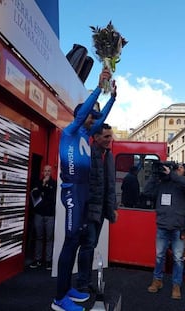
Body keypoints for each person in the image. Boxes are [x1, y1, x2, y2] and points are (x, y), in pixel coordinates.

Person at [51, 68, 116, 311]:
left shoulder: (87, 135)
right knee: (70, 243)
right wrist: (100, 87)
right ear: (80, 115)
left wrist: (113, 98)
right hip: (72, 193)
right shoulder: (69, 132)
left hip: (83, 193)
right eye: (90, 116)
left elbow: (100, 119)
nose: (94, 120)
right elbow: (86, 114)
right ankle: (59, 299)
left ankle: (68, 289)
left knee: (76, 241)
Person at [144, 162, 185, 299]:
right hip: (162, 225)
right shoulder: (163, 183)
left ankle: (176, 285)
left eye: (180, 168)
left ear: (184, 172)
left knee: (178, 258)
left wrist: (171, 174)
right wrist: (155, 175)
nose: (176, 169)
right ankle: (157, 280)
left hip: (178, 227)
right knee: (159, 256)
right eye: (176, 167)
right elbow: (147, 192)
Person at [77, 123, 118, 292]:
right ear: (96, 137)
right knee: (87, 246)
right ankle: (82, 283)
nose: (110, 139)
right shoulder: (87, 153)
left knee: (91, 246)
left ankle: (85, 282)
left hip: (100, 210)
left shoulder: (107, 155)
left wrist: (112, 208)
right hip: (89, 211)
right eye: (107, 136)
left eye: (111, 135)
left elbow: (109, 185)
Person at [29, 164, 57, 270]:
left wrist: (46, 187)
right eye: (45, 171)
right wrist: (43, 185)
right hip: (39, 214)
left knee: (49, 238)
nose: (47, 173)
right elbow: (35, 194)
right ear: (42, 172)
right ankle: (38, 260)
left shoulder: (54, 184)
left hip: (50, 215)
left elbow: (52, 198)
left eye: (49, 171)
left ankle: (48, 261)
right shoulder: (38, 183)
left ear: (51, 172)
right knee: (39, 237)